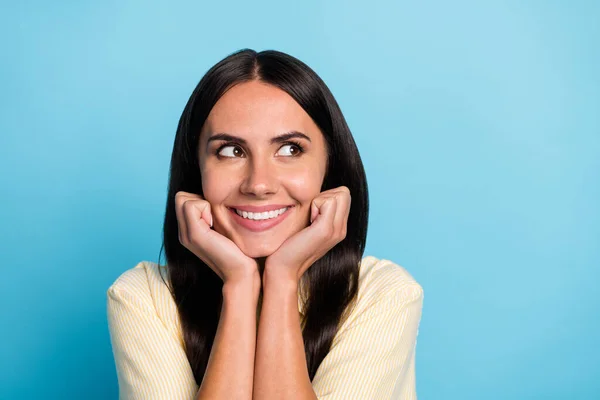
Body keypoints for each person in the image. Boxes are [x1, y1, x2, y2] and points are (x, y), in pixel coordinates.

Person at [107, 48, 424, 400]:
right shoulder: (143, 298)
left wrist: (282, 279)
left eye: (289, 149)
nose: (259, 184)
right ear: (196, 169)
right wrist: (240, 287)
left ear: (329, 168)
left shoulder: (383, 295)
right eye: (231, 151)